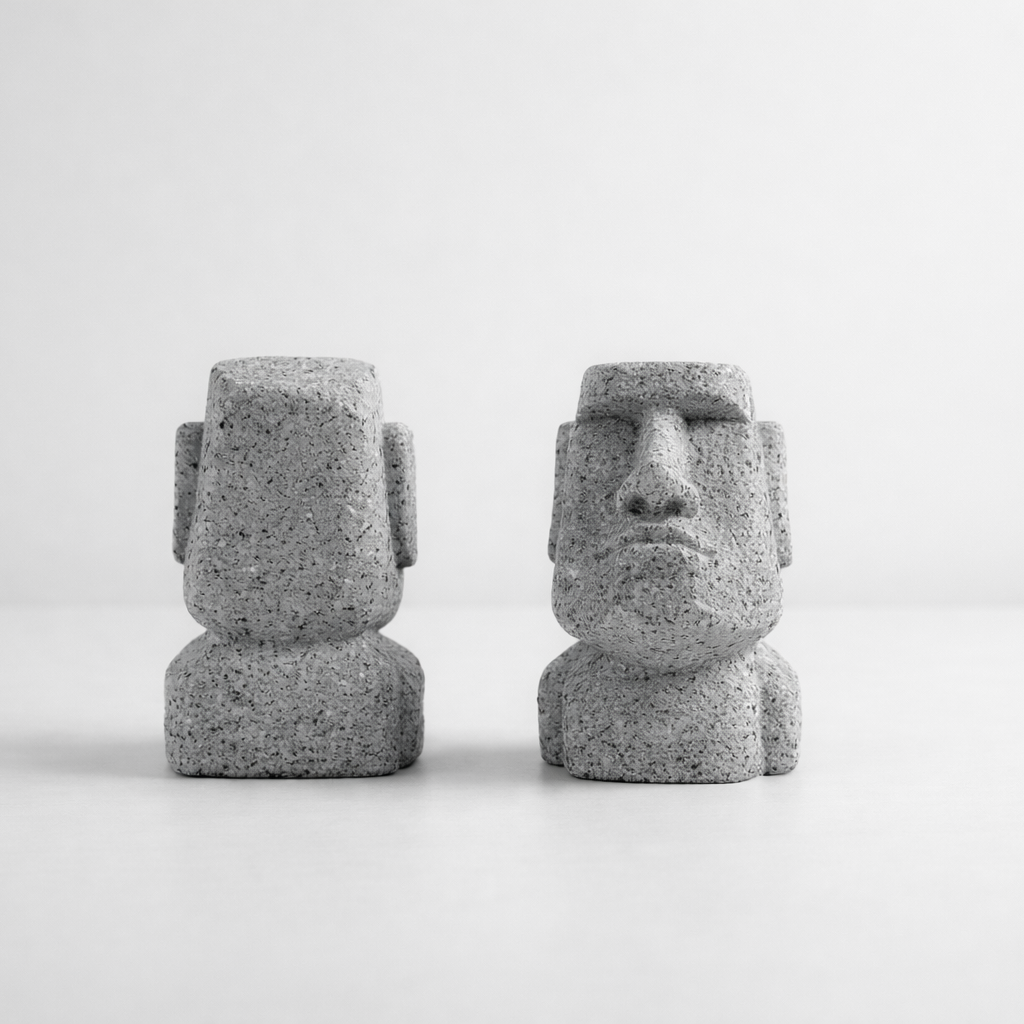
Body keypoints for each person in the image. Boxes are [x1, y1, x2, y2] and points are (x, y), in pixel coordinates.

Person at [540, 361, 799, 783]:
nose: (656, 486)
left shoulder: (772, 693)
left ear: (772, 488)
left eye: (709, 427)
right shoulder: (561, 689)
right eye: (611, 432)